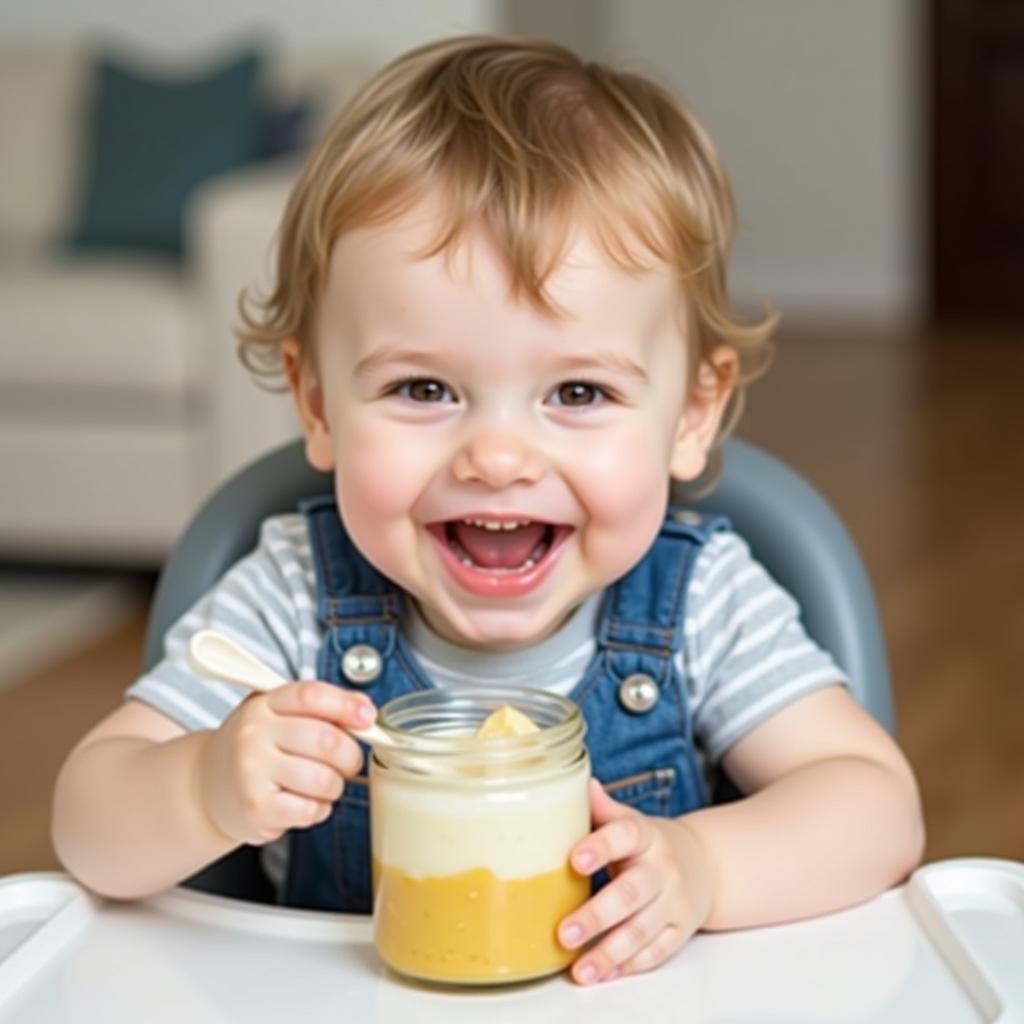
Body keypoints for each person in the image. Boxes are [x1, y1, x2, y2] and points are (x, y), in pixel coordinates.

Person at [52, 35, 924, 985]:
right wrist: (203, 785)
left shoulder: (701, 601)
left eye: (578, 394)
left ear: (692, 415)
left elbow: (874, 807)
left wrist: (709, 868)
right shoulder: (292, 596)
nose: (499, 458)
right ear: (316, 405)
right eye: (424, 389)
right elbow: (89, 825)